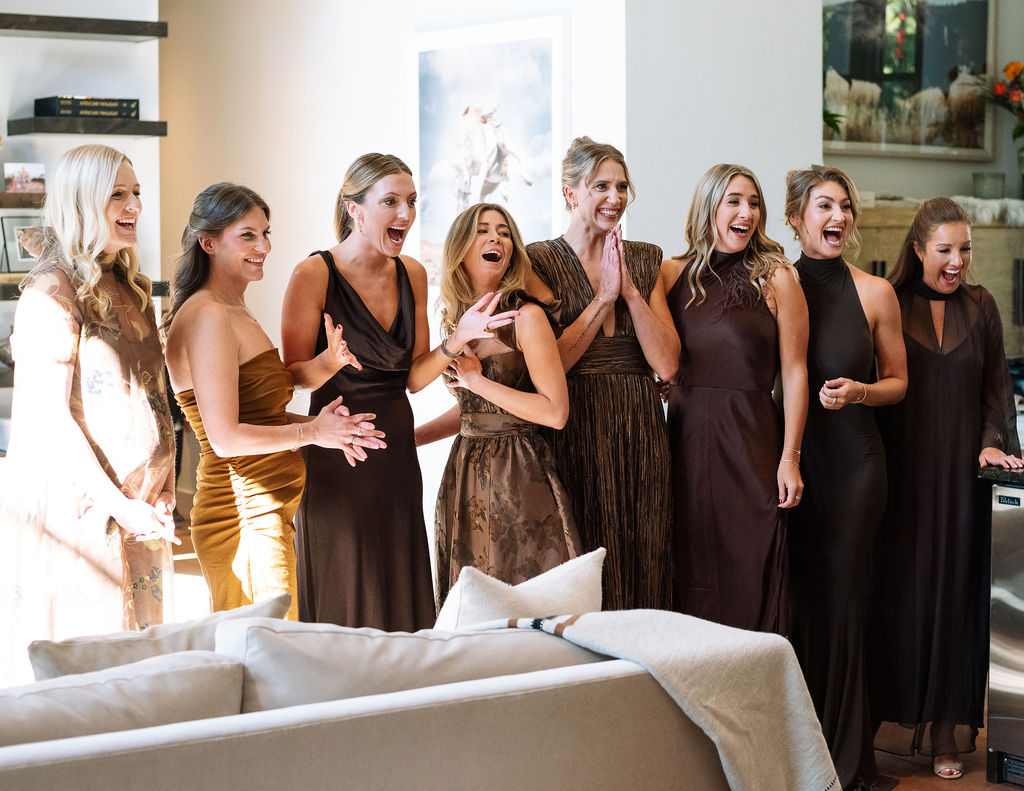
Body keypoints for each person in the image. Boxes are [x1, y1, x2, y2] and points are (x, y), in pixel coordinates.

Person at [281, 154, 516, 630]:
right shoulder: (313, 274)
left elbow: (412, 378)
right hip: (337, 450)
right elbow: (292, 376)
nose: (405, 214)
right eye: (390, 201)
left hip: (395, 454)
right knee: (345, 586)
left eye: (411, 201)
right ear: (355, 209)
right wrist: (329, 363)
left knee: (398, 584)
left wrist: (459, 338)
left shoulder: (413, 272)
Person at [0, 144, 178, 685]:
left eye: (137, 192)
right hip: (82, 513)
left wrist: (160, 490)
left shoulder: (128, 286)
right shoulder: (52, 293)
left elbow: (149, 398)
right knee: (95, 679)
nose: (134, 205)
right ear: (82, 202)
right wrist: (118, 505)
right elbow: (51, 421)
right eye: (117, 194)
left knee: (141, 670)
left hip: (136, 513)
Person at [164, 183, 382, 621]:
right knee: (273, 650)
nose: (264, 246)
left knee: (278, 650)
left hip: (265, 509)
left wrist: (327, 424)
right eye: (248, 235)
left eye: (266, 233)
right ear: (208, 243)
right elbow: (225, 439)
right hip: (242, 512)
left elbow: (257, 413)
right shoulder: (208, 315)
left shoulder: (232, 309)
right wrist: (312, 433)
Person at [868, 197, 1022, 781]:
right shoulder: (888, 301)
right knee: (901, 597)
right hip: (901, 480)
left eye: (965, 249)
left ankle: (943, 733)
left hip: (962, 481)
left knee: (955, 599)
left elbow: (995, 392)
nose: (956, 261)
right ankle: (889, 717)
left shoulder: (981, 307)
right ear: (918, 249)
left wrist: (991, 441)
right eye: (945, 250)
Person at [784, 164, 908, 791]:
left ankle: (846, 757)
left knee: (841, 599)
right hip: (793, 465)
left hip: (856, 467)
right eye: (823, 206)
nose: (838, 218)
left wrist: (860, 391)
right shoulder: (774, 286)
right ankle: (797, 750)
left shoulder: (875, 293)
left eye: (845, 207)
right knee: (800, 598)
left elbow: (899, 382)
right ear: (795, 218)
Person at [525, 137, 679, 611]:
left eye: (622, 186)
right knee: (583, 557)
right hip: (576, 423)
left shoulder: (646, 257)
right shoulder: (537, 261)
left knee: (645, 551)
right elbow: (551, 366)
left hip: (641, 427)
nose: (615, 198)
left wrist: (630, 292)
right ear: (571, 192)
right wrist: (602, 299)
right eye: (601, 186)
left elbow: (668, 363)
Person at [661, 163, 808, 634]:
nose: (747, 212)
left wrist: (790, 458)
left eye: (754, 202)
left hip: (751, 444)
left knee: (753, 566)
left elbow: (795, 372)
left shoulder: (776, 276)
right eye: (734, 201)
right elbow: (652, 354)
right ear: (708, 208)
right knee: (691, 565)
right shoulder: (669, 274)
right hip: (684, 444)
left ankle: (756, 695)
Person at [416, 203, 579, 604]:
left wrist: (476, 381)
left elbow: (555, 413)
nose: (496, 239)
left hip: (519, 473)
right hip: (464, 473)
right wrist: (412, 439)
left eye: (504, 232)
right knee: (471, 602)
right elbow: (473, 413)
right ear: (460, 250)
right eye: (483, 231)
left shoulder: (526, 317)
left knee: (523, 595)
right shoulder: (457, 323)